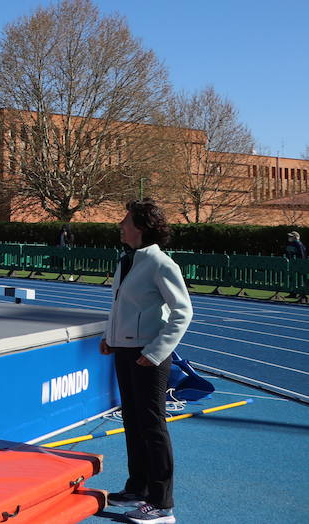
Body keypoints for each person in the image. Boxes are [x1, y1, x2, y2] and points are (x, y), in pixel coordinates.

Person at [99, 199, 193, 524]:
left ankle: (162, 504)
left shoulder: (161, 263)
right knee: (132, 423)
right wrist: (111, 337)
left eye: (125, 220)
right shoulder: (127, 261)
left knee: (152, 427)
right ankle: (137, 487)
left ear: (140, 226)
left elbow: (183, 312)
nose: (120, 226)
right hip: (125, 352)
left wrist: (154, 353)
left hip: (149, 356)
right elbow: (122, 307)